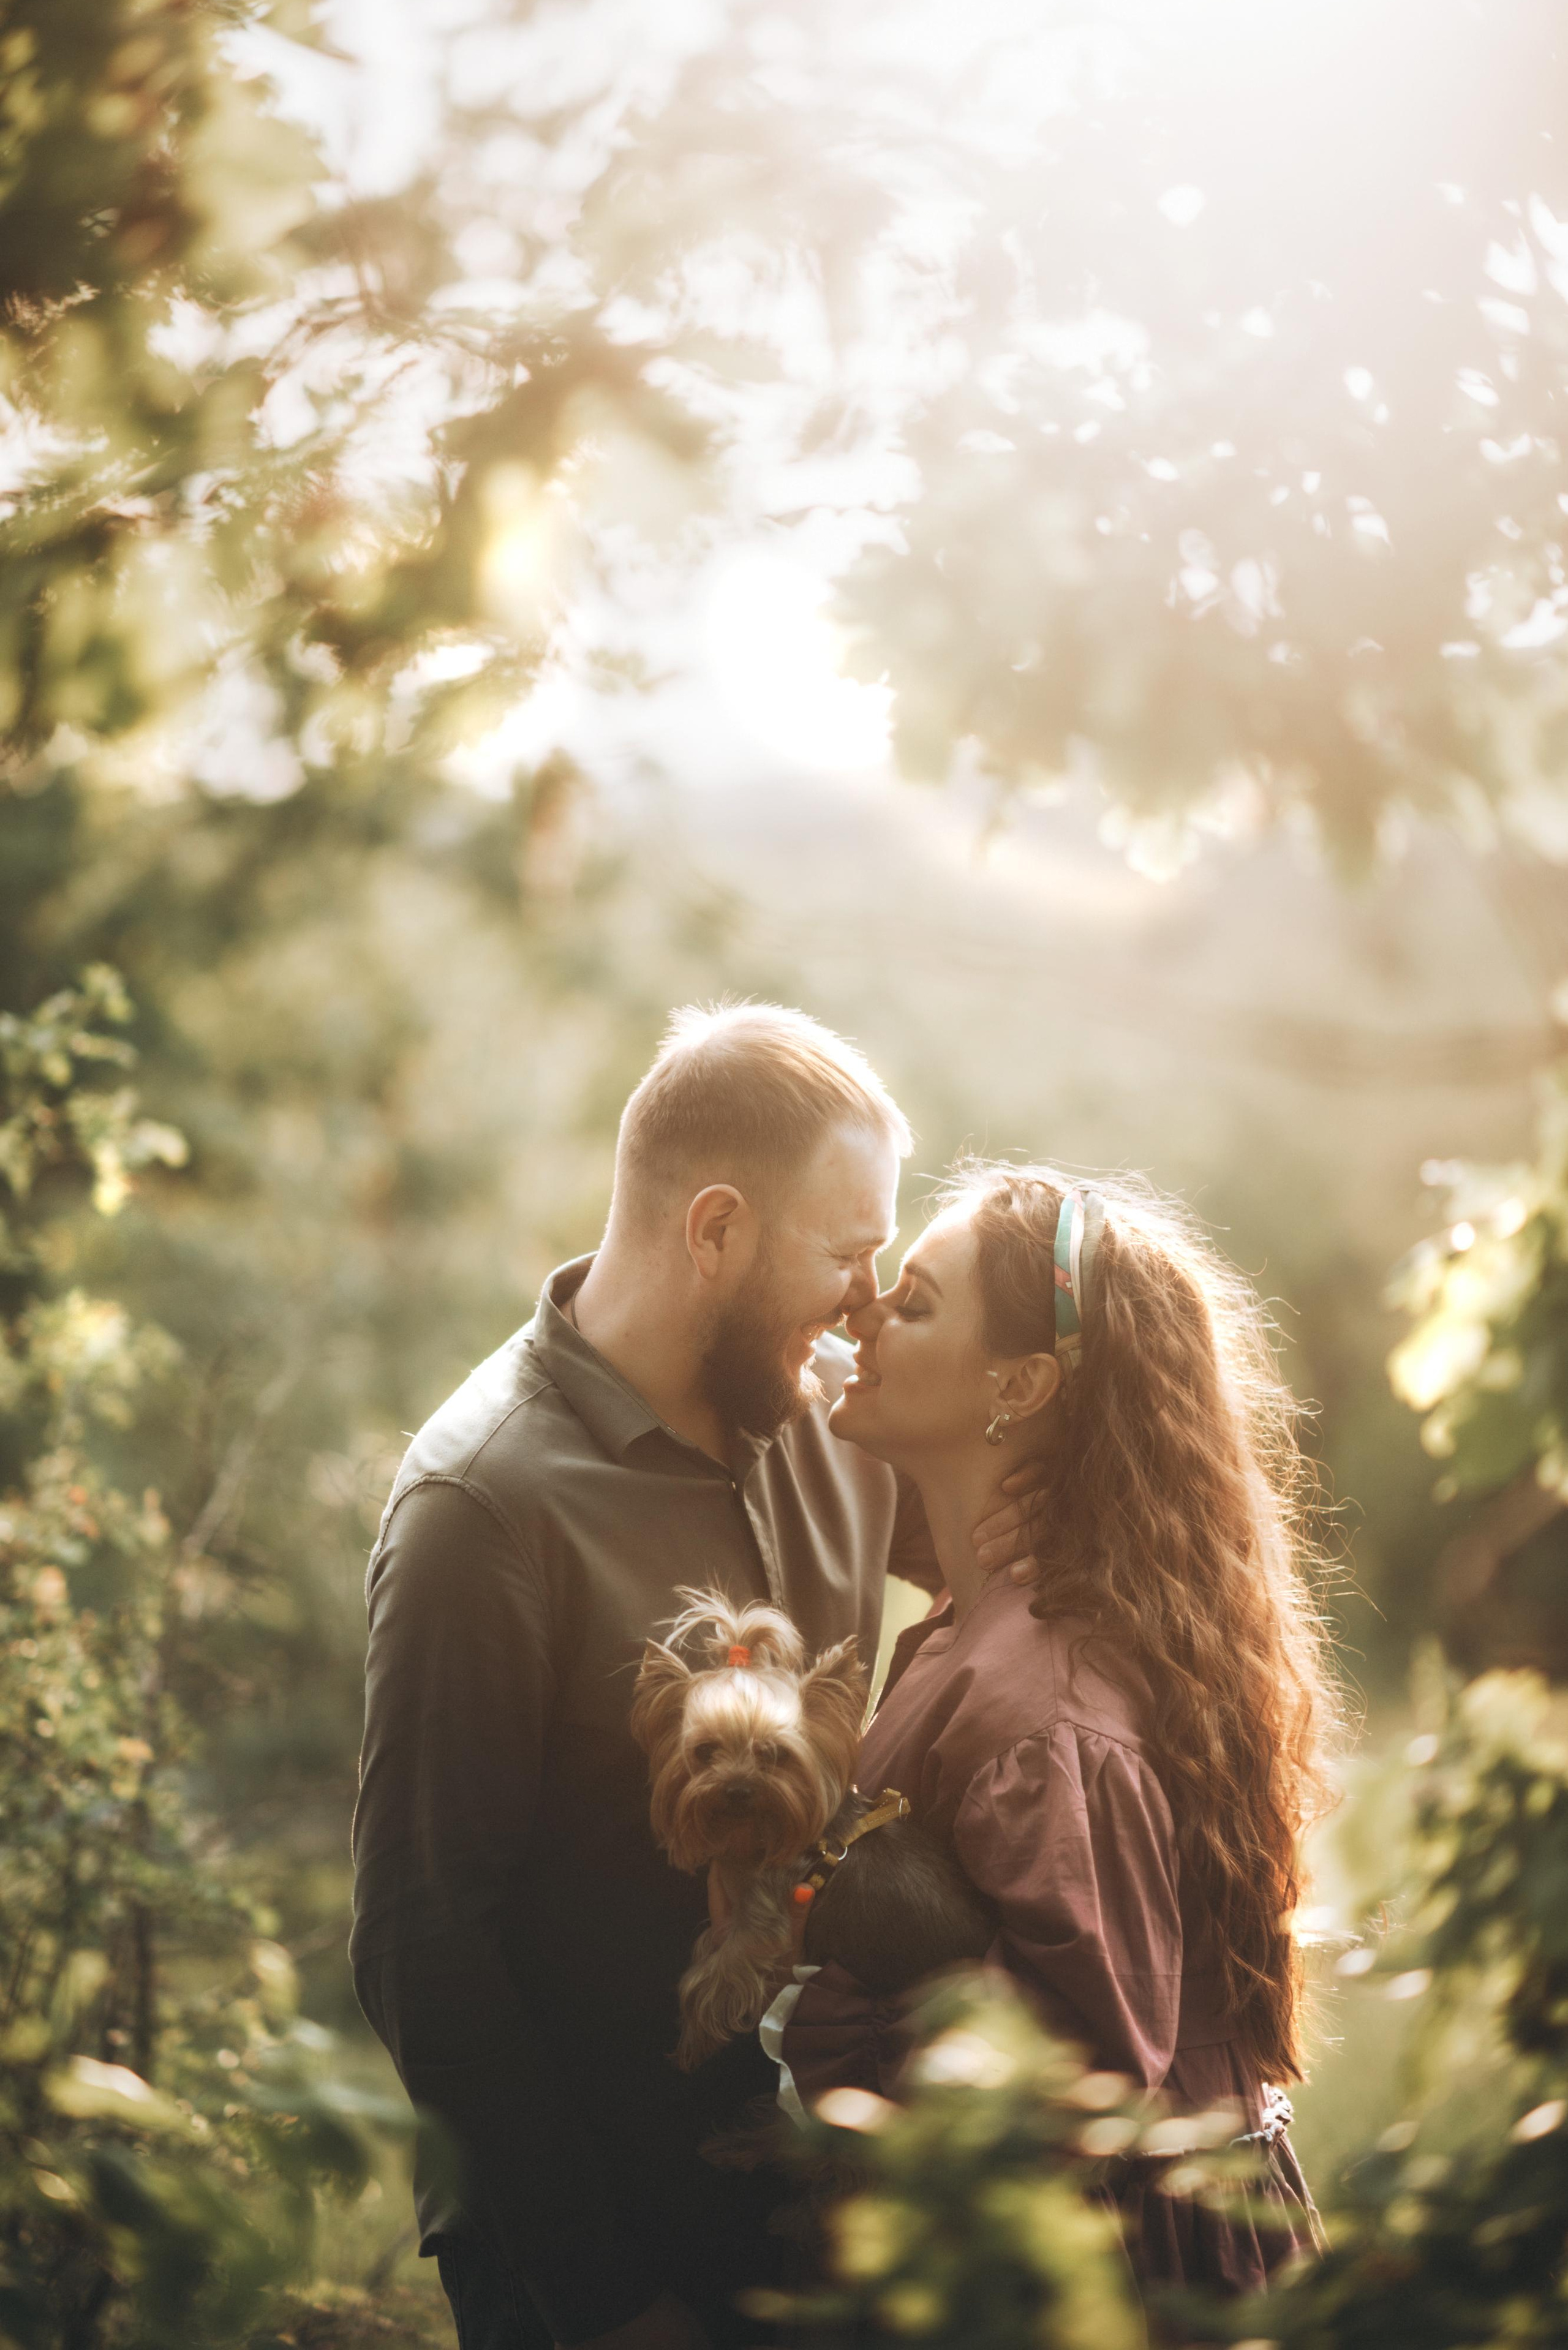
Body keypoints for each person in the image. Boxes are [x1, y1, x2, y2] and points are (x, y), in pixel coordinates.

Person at [349, 1007, 1031, 2350]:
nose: (866, 1298)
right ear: (713, 1229)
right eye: (846, 1252)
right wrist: (605, 2301)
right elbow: (421, 1942)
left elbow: (1015, 1575)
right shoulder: (482, 1506)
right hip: (601, 2238)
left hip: (815, 2189)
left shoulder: (833, 1416)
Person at [784, 1161, 1335, 2297]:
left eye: (916, 1302)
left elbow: (1077, 2096)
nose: (865, 1310)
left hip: (1121, 2279)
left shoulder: (1048, 1715)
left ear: (1021, 1386)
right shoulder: (1000, 1608)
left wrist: (824, 2014)